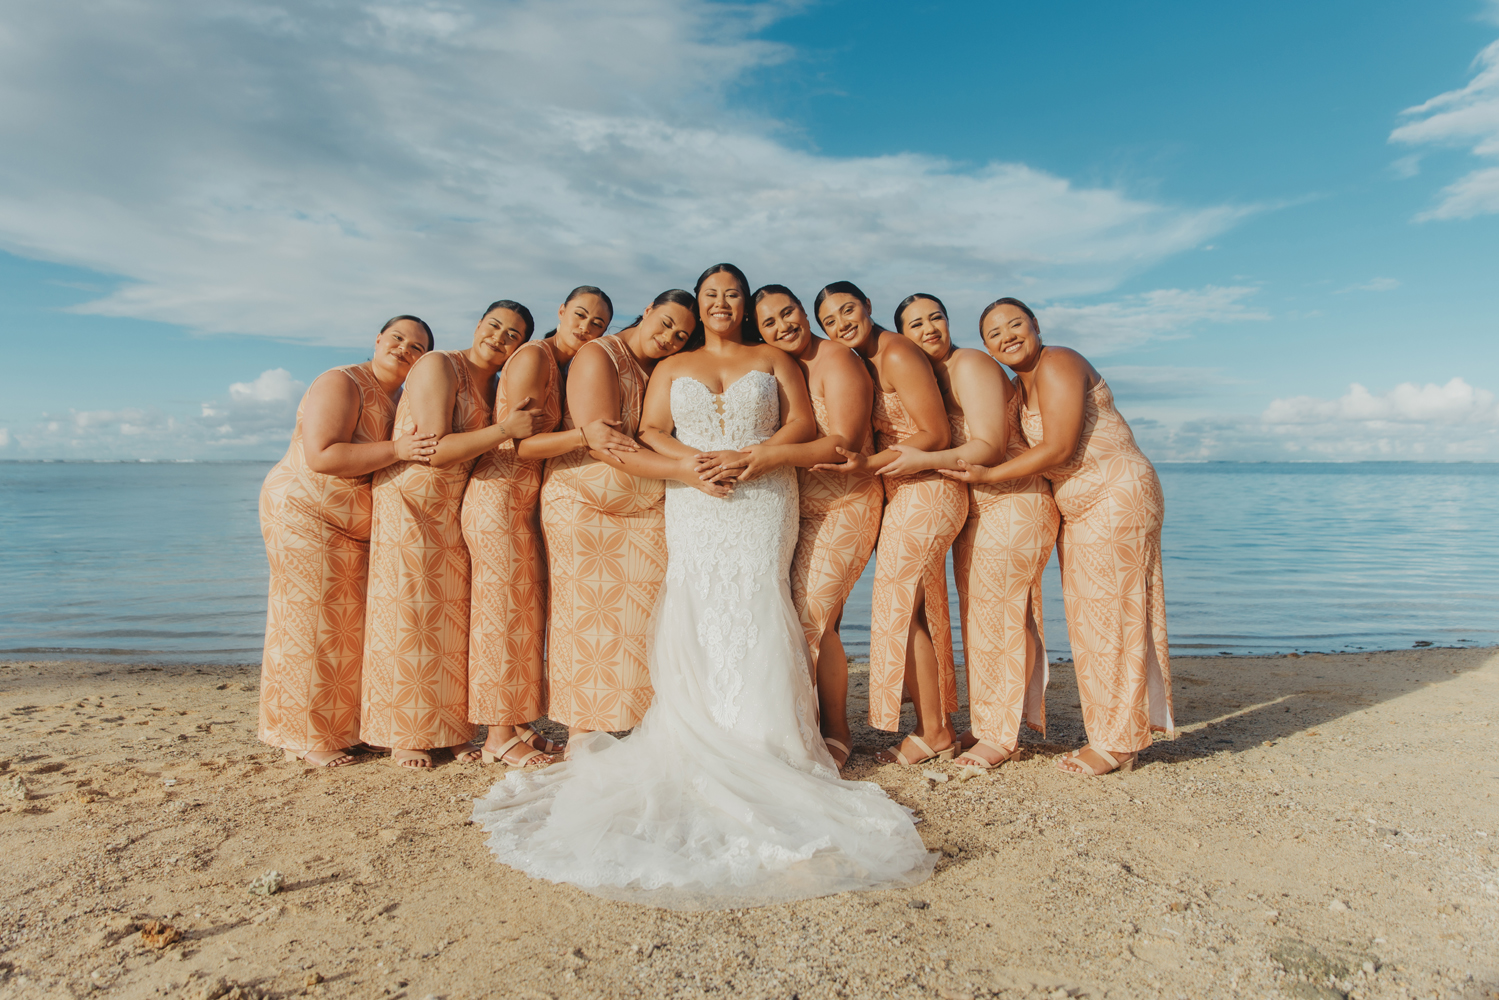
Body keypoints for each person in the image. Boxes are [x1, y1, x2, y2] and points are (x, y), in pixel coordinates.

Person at [471, 264, 933, 910]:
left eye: (730, 296)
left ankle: (766, 738)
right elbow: (652, 430)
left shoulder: (772, 355)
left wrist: (755, 456)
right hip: (692, 500)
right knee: (698, 603)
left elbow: (802, 424)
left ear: (741, 304)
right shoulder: (671, 365)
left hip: (763, 496)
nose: (720, 303)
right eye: (709, 295)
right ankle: (697, 729)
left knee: (756, 604)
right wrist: (688, 465)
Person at [941, 298, 1172, 776]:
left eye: (1015, 324)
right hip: (1079, 506)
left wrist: (989, 476)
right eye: (994, 333)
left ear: (1036, 326)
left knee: (1113, 617)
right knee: (1090, 620)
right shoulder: (1016, 387)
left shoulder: (1058, 361)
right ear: (986, 346)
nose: (1007, 336)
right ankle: (1117, 730)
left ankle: (1119, 742)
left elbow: (1060, 445)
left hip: (1115, 492)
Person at [361, 301, 551, 769]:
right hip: (412, 498)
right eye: (494, 326)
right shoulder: (438, 364)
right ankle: (404, 736)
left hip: (453, 504)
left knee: (446, 624)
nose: (500, 338)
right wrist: (505, 428)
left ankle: (445, 729)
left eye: (513, 335)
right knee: (408, 615)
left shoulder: (492, 379)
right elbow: (436, 450)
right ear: (478, 325)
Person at [884, 294, 1059, 770]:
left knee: (1000, 617)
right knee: (980, 619)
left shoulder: (970, 362)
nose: (929, 329)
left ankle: (1000, 737)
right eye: (915, 324)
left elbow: (989, 445)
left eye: (935, 317)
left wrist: (922, 460)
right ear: (903, 335)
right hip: (980, 506)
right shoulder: (932, 377)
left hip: (1015, 500)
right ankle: (990, 721)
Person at [463, 286, 635, 768]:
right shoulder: (534, 358)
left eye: (598, 324)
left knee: (521, 614)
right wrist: (585, 436)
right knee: (503, 615)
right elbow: (517, 445)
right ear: (561, 312)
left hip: (522, 501)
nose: (586, 327)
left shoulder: (559, 363)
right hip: (499, 496)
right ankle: (498, 735)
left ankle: (517, 723)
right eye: (580, 315)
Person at [258, 316, 437, 767]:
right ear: (378, 340)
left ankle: (345, 728)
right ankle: (305, 738)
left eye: (416, 347)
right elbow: (322, 454)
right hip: (305, 513)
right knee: (308, 625)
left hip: (355, 524)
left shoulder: (401, 398)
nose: (404, 349)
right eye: (397, 338)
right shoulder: (342, 382)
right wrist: (399, 450)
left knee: (348, 629)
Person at [539, 289, 711, 743]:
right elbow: (605, 444)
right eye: (667, 322)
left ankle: (633, 719)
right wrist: (682, 470)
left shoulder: (659, 368)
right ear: (648, 310)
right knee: (585, 618)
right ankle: (582, 727)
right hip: (584, 508)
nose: (671, 336)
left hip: (645, 510)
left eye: (682, 335)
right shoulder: (600, 354)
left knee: (643, 618)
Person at [811, 282, 967, 766]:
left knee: (900, 604)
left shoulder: (896, 353)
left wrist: (865, 464)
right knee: (919, 608)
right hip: (903, 488)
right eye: (831, 321)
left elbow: (935, 432)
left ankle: (935, 730)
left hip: (928, 487)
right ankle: (936, 723)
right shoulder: (862, 358)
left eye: (848, 310)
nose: (841, 324)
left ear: (868, 307)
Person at [751, 283, 879, 769]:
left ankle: (836, 733)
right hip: (794, 510)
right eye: (770, 322)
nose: (784, 326)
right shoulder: (779, 367)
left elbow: (842, 444)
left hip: (846, 505)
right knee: (810, 622)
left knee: (812, 619)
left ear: (804, 312)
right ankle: (802, 724)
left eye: (789, 313)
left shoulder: (837, 359)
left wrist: (766, 456)